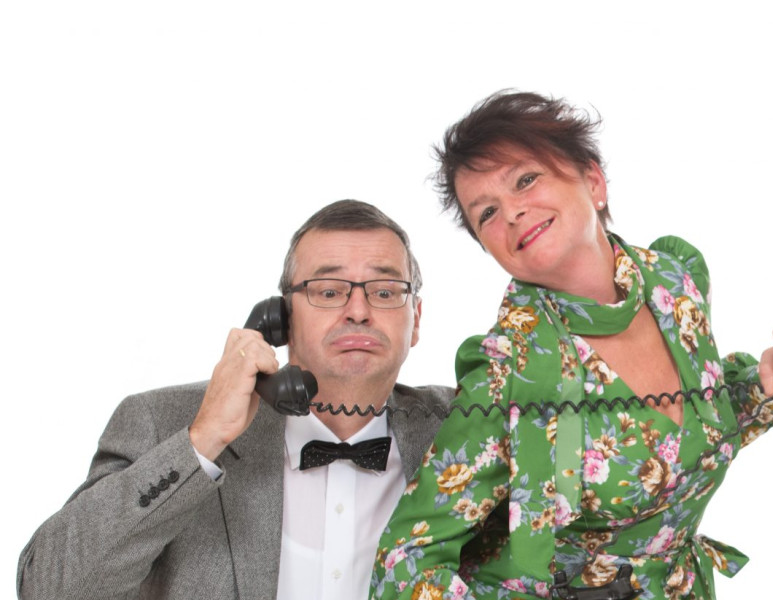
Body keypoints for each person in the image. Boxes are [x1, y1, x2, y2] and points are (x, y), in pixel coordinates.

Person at [369, 91, 773, 600]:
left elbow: (688, 440)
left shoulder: (675, 284)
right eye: (487, 212)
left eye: (525, 179)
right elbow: (405, 558)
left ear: (594, 181)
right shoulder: (508, 373)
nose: (512, 212)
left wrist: (769, 391)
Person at [17, 200, 453, 600]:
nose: (358, 310)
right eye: (328, 291)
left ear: (415, 319)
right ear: (282, 319)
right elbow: (48, 590)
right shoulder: (160, 423)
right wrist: (202, 441)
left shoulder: (465, 425)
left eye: (385, 291)